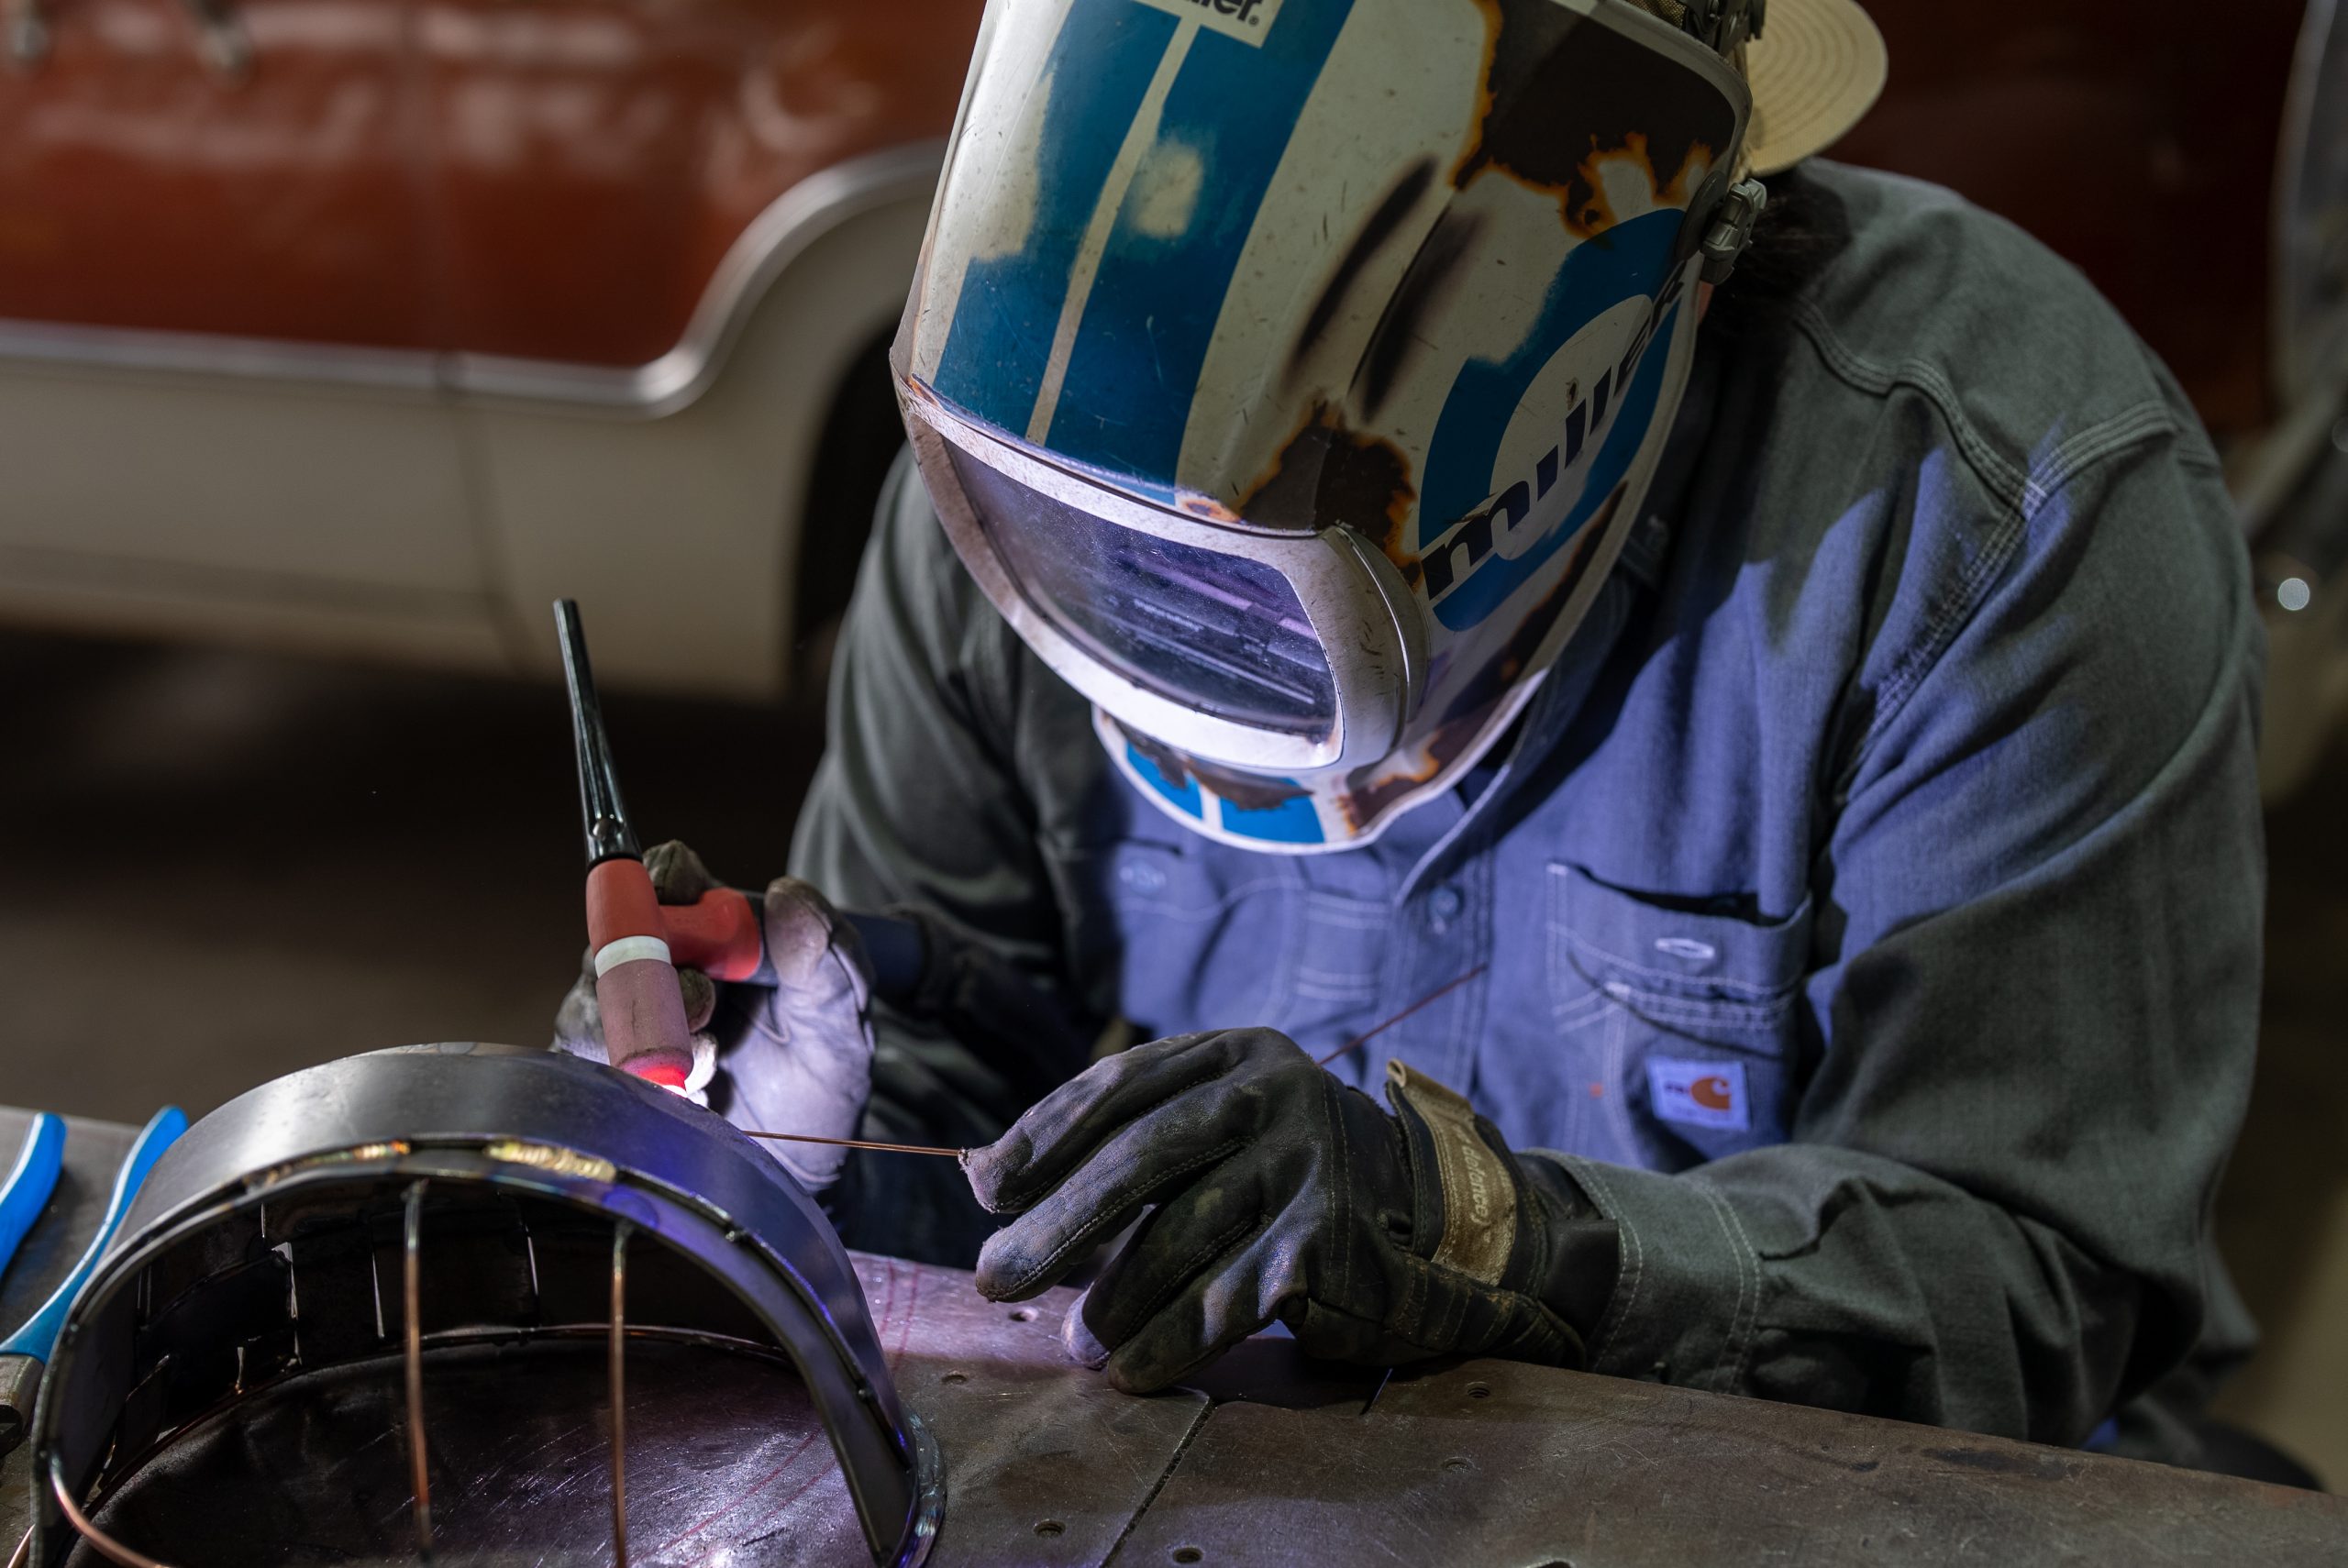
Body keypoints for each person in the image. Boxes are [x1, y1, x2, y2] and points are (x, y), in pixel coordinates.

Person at [560, 0, 2266, 1465]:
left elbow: (2031, 1284)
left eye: (1240, 575)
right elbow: (971, 1115)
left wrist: (1497, 1235)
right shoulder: (1009, 465)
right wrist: (795, 1151)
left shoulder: (1988, 509)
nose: (1162, 640)